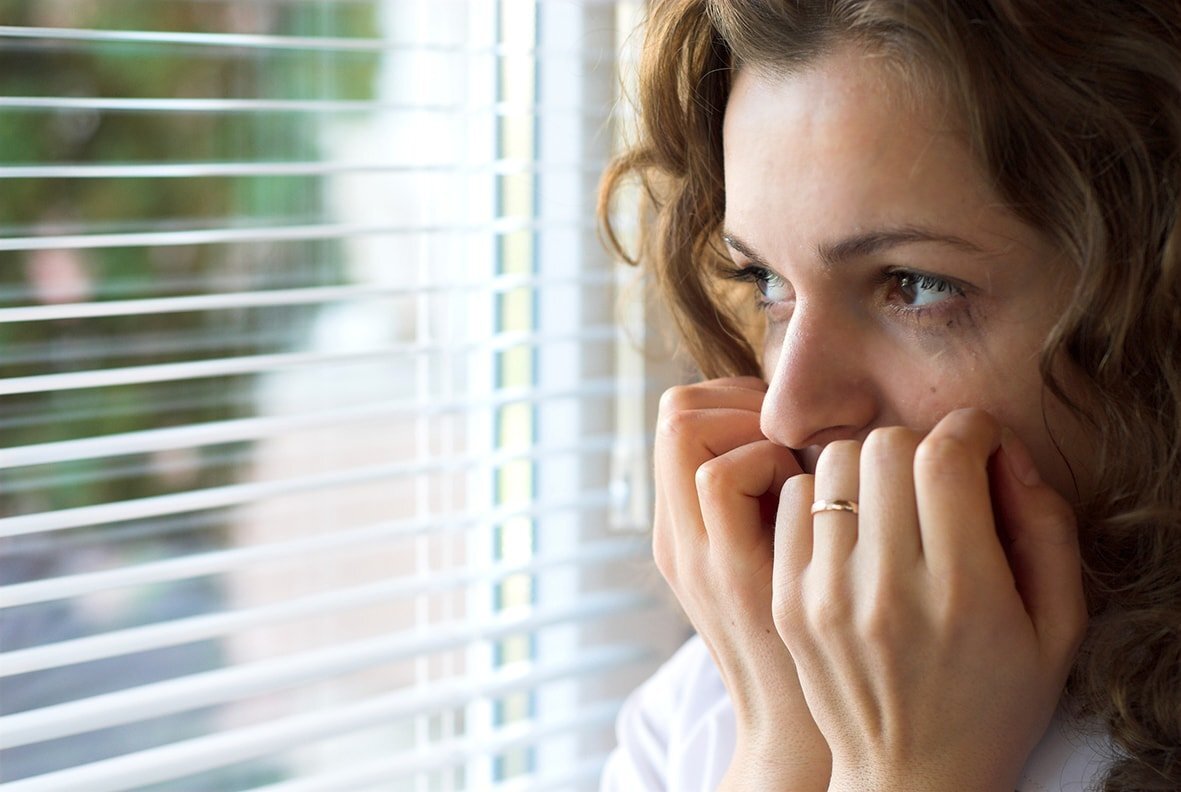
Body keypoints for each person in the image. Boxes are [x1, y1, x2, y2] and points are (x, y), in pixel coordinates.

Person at [597, 1, 1181, 790]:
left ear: (1152, 298)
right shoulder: (706, 707)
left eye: (915, 285)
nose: (787, 411)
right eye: (765, 280)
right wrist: (781, 736)